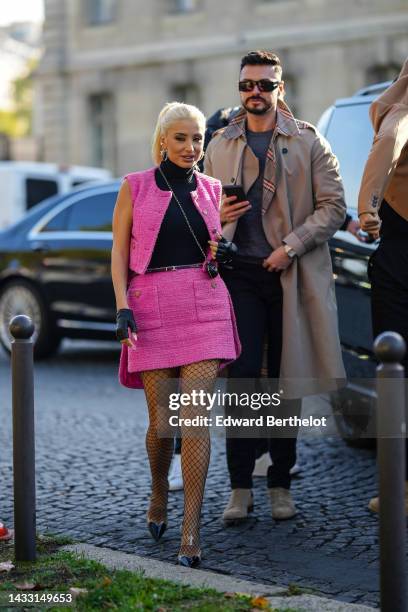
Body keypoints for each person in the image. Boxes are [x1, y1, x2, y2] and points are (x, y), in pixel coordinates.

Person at [205, 50, 346, 523]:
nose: (255, 93)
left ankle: (281, 484)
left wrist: (291, 246)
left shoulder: (309, 141)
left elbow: (333, 207)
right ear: (239, 87)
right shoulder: (221, 143)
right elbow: (204, 212)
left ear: (279, 88)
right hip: (239, 276)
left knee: (288, 383)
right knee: (243, 381)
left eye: (265, 85)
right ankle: (240, 488)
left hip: (290, 273)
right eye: (247, 85)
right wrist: (217, 219)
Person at [111, 101, 241, 567]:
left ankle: (191, 532)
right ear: (163, 139)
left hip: (204, 304)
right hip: (150, 308)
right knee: (161, 427)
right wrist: (123, 307)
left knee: (194, 421)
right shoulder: (135, 187)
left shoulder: (211, 188)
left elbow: (214, 250)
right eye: (181, 138)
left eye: (197, 139)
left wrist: (222, 251)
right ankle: (157, 490)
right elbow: (118, 252)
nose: (190, 147)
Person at [358, 58, 408, 514]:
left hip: (398, 254)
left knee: (394, 377)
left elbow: (388, 142)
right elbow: (390, 141)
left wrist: (368, 208)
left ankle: (399, 487)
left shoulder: (400, 101)